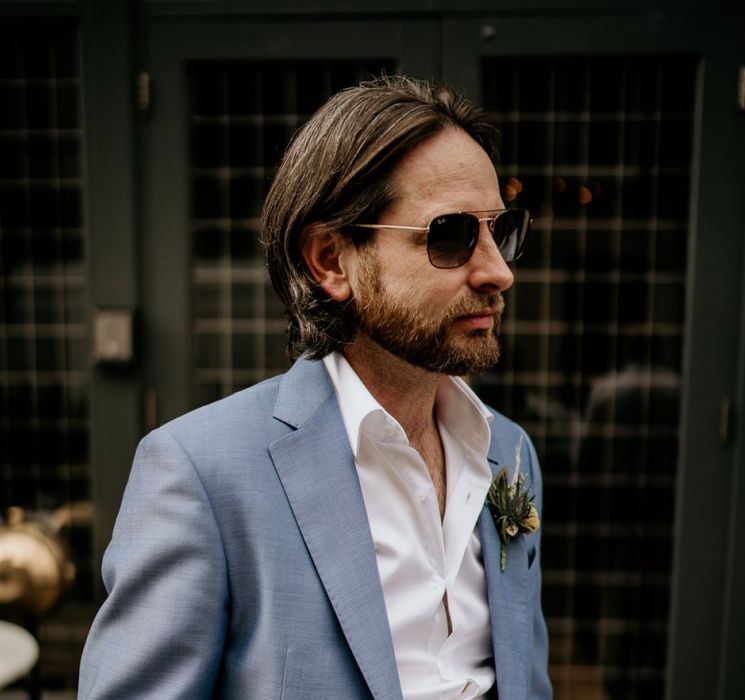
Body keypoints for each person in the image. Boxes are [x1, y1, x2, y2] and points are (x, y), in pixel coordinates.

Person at [79, 75, 551, 699]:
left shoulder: (509, 452)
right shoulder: (203, 473)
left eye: (502, 230)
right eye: (453, 235)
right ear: (331, 260)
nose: (497, 271)